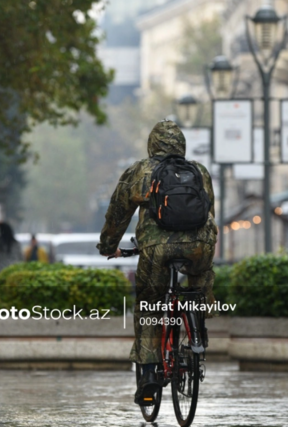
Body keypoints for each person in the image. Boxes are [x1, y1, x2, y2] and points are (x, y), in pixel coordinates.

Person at [96, 120, 217, 405]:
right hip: (200, 245)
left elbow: (118, 214)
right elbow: (208, 211)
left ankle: (149, 375)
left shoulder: (141, 171)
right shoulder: (199, 171)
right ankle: (198, 329)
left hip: (157, 249)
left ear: (152, 144)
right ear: (182, 145)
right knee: (199, 285)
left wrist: (108, 247)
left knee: (150, 304)